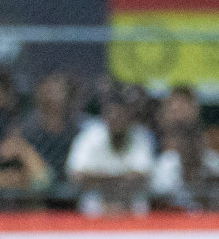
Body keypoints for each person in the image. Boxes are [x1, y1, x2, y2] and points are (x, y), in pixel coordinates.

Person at [66, 86, 155, 215]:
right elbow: (76, 174)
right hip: (97, 197)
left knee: (140, 204)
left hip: (129, 199)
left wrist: (100, 179)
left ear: (128, 117)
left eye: (120, 115)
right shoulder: (90, 136)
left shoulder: (140, 136)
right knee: (90, 203)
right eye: (111, 115)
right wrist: (119, 179)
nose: (115, 119)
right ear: (104, 117)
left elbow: (142, 176)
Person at [20, 73, 80, 185]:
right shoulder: (27, 127)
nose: (54, 96)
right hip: (34, 185)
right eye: (49, 90)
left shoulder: (77, 129)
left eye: (59, 90)